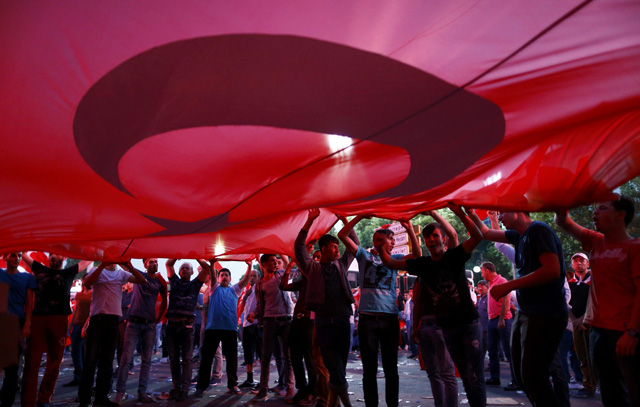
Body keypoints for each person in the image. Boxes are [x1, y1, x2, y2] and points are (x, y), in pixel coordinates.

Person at [380, 204, 486, 407]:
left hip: (468, 325)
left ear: (443, 239)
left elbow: (478, 236)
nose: (431, 240)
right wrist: (380, 247)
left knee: (475, 378)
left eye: (435, 236)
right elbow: (392, 264)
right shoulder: (424, 264)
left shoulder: (454, 256)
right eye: (428, 238)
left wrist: (456, 212)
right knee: (465, 376)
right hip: (447, 328)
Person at [469, 208, 568, 407]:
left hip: (545, 313)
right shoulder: (519, 236)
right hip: (527, 312)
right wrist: (468, 212)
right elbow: (486, 233)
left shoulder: (539, 231)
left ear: (517, 210)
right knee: (525, 376)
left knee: (535, 376)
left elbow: (552, 269)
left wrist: (510, 285)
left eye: (502, 213)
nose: (500, 217)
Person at [556, 196, 640, 407]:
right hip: (598, 332)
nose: (595, 213)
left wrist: (632, 332)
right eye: (595, 209)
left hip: (625, 334)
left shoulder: (635, 248)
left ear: (621, 215)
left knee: (633, 392)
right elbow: (563, 222)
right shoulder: (596, 241)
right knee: (610, 393)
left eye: (602, 209)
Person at [338, 215, 421, 407]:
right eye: (389, 239)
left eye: (392, 240)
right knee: (369, 369)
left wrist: (408, 228)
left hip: (390, 318)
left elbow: (417, 255)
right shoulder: (364, 255)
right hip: (367, 319)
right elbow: (343, 235)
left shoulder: (396, 259)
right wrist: (358, 217)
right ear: (378, 241)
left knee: (391, 368)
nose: (392, 243)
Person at [295, 209, 358, 407]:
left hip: (342, 320)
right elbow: (298, 247)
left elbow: (354, 245)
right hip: (323, 323)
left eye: (337, 246)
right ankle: (345, 403)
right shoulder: (311, 268)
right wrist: (309, 221)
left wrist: (345, 219)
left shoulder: (341, 265)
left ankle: (333, 404)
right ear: (322, 249)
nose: (337, 249)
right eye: (333, 246)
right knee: (333, 364)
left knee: (339, 366)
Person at [19, 253, 92, 407]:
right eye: (50, 254)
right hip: (38, 319)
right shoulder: (39, 268)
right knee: (32, 363)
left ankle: (44, 399)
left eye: (56, 254)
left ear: (64, 258)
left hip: (59, 319)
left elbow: (88, 260)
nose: (52, 257)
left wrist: (93, 246)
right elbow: (23, 254)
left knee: (54, 362)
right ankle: (28, 402)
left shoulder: (68, 272)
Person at [78, 261, 147, 407]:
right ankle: (84, 399)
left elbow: (142, 280)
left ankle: (100, 398)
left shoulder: (121, 273)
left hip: (113, 320)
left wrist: (129, 266)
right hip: (98, 319)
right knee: (90, 361)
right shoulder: (97, 270)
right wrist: (103, 265)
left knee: (107, 362)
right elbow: (88, 282)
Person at [114, 258, 168, 404]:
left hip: (149, 324)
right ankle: (119, 393)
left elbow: (164, 300)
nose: (154, 264)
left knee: (147, 360)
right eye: (151, 262)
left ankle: (142, 392)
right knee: (126, 359)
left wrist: (158, 318)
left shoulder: (159, 282)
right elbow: (124, 265)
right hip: (134, 322)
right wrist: (122, 257)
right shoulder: (138, 276)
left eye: (156, 261)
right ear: (145, 265)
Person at [195, 260, 251, 395]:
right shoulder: (214, 289)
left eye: (226, 275)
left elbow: (245, 280)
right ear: (218, 278)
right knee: (207, 359)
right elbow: (212, 276)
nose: (224, 277)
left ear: (230, 278)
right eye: (222, 275)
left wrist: (249, 266)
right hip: (213, 329)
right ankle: (201, 386)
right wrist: (212, 262)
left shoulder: (234, 291)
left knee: (232, 360)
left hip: (230, 329)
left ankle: (232, 385)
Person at [250, 254, 294, 402]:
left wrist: (280, 247)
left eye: (276, 261)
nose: (275, 264)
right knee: (266, 357)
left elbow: (288, 263)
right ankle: (263, 390)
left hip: (286, 319)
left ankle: (290, 389)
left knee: (288, 356)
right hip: (269, 321)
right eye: (272, 261)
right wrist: (254, 313)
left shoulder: (282, 274)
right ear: (264, 264)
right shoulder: (260, 284)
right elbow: (260, 304)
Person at [164, 259, 208, 402]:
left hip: (187, 327)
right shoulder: (174, 282)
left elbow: (206, 268)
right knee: (174, 359)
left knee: (187, 359)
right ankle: (176, 387)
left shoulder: (195, 285)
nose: (184, 270)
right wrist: (178, 254)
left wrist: (197, 256)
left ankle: (185, 389)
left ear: (192, 272)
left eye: (187, 268)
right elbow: (168, 264)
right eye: (182, 268)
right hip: (172, 326)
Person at [0, 252, 36, 407]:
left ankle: (6, 402)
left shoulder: (27, 277)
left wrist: (28, 324)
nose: (17, 258)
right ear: (5, 257)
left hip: (17, 324)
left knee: (12, 368)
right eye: (13, 255)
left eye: (20, 255)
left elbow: (29, 303)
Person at [280, 259, 318, 406]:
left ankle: (313, 392)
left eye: (318, 257)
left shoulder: (319, 280)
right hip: (296, 321)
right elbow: (283, 286)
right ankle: (302, 389)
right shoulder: (303, 282)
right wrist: (289, 267)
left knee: (310, 358)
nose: (314, 260)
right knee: (295, 357)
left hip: (310, 321)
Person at [480, 262, 516, 389]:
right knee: (492, 350)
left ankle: (516, 380)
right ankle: (495, 378)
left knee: (509, 350)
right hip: (492, 320)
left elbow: (506, 301)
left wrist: (501, 319)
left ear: (487, 270)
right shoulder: (491, 284)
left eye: (482, 271)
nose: (482, 274)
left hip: (503, 320)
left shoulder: (501, 280)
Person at [566, 252, 597, 398]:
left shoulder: (594, 281)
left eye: (582, 261)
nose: (579, 263)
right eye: (576, 261)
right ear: (572, 265)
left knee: (595, 355)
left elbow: (597, 302)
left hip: (593, 323)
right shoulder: (570, 283)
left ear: (588, 264)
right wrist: (574, 321)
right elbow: (566, 304)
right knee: (582, 356)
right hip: (577, 325)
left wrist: (585, 319)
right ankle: (588, 385)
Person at [64, 276, 92, 387]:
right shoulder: (79, 295)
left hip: (88, 326)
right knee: (75, 352)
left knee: (85, 353)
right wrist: (70, 326)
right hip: (77, 325)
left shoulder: (94, 293)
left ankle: (84, 377)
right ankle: (78, 376)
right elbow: (76, 310)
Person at [238, 268, 262, 389]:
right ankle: (249, 379)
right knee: (248, 353)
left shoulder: (260, 289)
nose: (251, 278)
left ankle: (264, 380)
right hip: (246, 325)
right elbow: (242, 309)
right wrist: (246, 297)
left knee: (260, 353)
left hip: (257, 324)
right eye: (250, 276)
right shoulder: (246, 291)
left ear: (258, 278)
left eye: (254, 275)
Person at [476, 280, 489, 359]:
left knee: (489, 346)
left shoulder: (489, 298)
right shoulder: (479, 298)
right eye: (479, 286)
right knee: (481, 347)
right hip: (481, 327)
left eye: (482, 286)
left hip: (487, 327)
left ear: (487, 287)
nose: (480, 288)